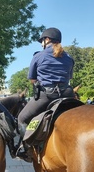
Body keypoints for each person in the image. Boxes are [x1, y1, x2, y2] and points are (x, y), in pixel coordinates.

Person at [16, 27, 75, 161]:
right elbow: (69, 78)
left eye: (42, 41)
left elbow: (32, 79)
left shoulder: (38, 56)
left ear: (46, 40)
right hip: (67, 95)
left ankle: (28, 150)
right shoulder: (69, 58)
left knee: (21, 118)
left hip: (46, 97)